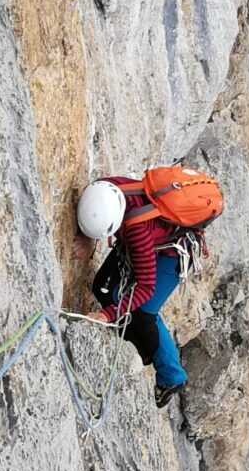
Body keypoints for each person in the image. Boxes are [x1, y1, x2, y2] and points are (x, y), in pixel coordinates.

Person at [76, 171, 210, 409]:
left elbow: (146, 287)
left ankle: (172, 377)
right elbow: (93, 211)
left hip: (173, 252)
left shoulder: (137, 232)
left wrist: (107, 315)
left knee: (144, 312)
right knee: (103, 288)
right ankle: (143, 348)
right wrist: (87, 236)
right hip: (147, 236)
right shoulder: (105, 189)